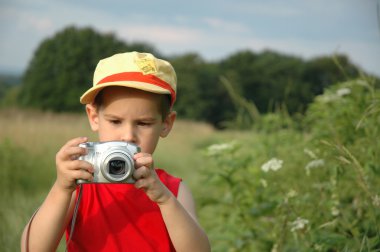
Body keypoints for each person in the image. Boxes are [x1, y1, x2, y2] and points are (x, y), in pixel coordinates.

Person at [21, 51, 211, 252]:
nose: (128, 135)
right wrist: (61, 188)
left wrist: (164, 200)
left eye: (143, 123)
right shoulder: (81, 186)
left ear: (166, 124)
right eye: (115, 121)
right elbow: (31, 249)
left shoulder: (173, 190)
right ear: (94, 117)